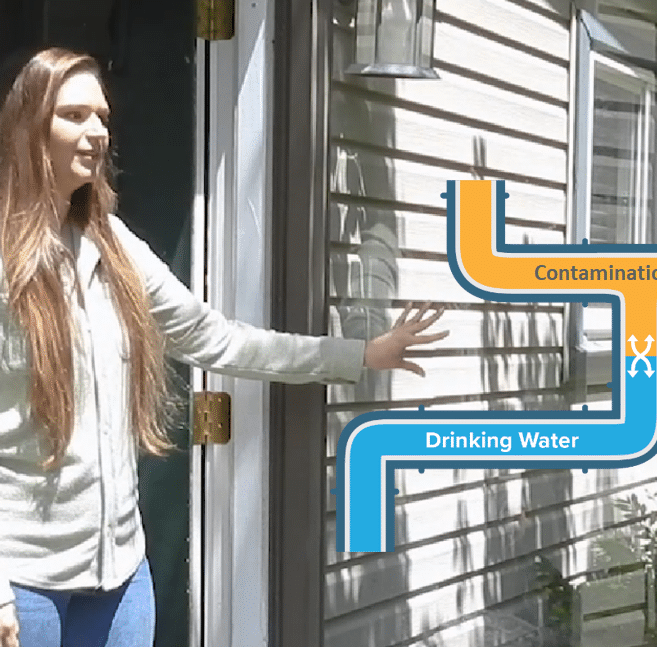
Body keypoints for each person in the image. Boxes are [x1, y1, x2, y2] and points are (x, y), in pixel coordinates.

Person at [0, 47, 448, 647]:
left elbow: (216, 338)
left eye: (102, 117)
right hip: (24, 581)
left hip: (121, 576)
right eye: (75, 115)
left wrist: (360, 354)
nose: (97, 132)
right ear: (31, 126)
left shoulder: (113, 245)